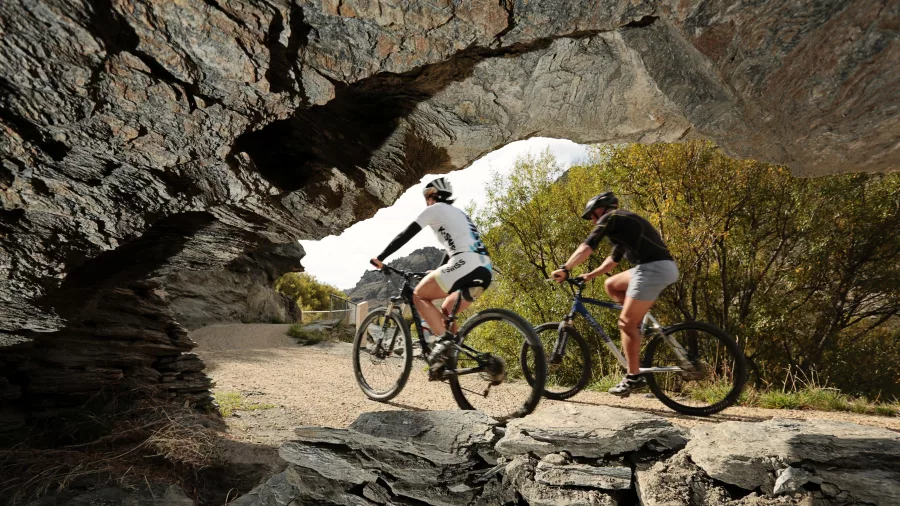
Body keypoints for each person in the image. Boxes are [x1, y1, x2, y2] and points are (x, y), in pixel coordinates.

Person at [551, 191, 679, 396]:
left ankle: (633, 377)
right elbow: (614, 261)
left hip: (653, 268)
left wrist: (566, 268)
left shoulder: (612, 217)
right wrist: (590, 275)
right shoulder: (621, 226)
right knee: (611, 284)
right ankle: (637, 322)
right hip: (653, 267)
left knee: (625, 323)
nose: (593, 220)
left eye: (593, 215)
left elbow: (587, 246)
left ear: (602, 209)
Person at [371, 177, 492, 369]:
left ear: (431, 195)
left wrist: (381, 257)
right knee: (445, 311)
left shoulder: (434, 209)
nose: (426, 201)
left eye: (427, 197)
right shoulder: (459, 214)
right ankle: (449, 362)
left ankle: (444, 343)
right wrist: (439, 270)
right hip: (484, 269)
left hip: (464, 264)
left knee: (418, 294)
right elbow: (452, 247)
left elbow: (406, 234)